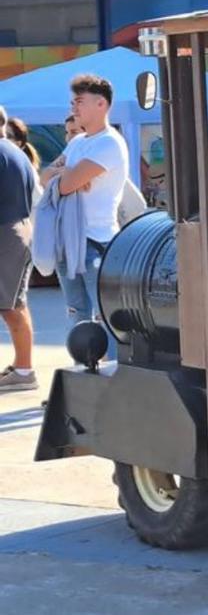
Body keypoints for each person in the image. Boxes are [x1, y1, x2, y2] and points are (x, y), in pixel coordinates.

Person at [36, 74, 127, 355]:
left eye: (80, 101)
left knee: (103, 318)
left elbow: (63, 184)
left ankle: (111, 377)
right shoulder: (77, 143)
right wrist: (69, 176)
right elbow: (45, 177)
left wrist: (67, 177)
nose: (74, 107)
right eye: (73, 101)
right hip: (69, 242)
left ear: (101, 104)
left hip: (96, 243)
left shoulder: (109, 143)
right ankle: (83, 374)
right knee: (77, 315)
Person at [0, 106, 38, 391]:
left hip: (5, 231)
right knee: (14, 303)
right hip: (17, 229)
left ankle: (24, 371)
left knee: (11, 305)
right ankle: (23, 369)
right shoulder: (16, 153)